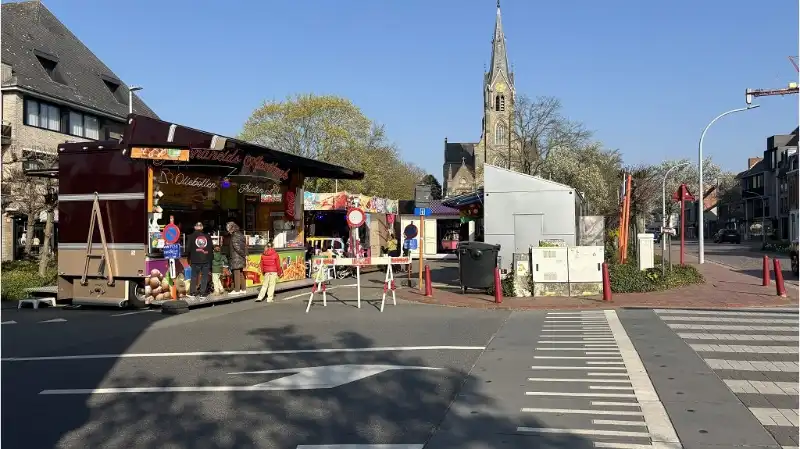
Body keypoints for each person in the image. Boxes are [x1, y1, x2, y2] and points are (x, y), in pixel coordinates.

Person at [186, 222, 212, 298]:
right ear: (202, 227)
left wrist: (189, 257)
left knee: (194, 276)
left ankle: (192, 293)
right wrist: (210, 259)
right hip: (206, 259)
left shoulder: (190, 237)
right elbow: (210, 249)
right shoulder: (208, 237)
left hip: (195, 259)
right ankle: (202, 293)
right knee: (204, 277)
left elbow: (188, 249)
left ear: (195, 227)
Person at [227, 221, 247, 294]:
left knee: (236, 273)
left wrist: (243, 254)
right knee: (241, 273)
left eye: (228, 229)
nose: (228, 231)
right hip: (240, 257)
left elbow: (237, 248)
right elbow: (244, 247)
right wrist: (244, 255)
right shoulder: (241, 235)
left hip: (236, 257)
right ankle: (243, 289)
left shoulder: (234, 236)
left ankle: (237, 290)